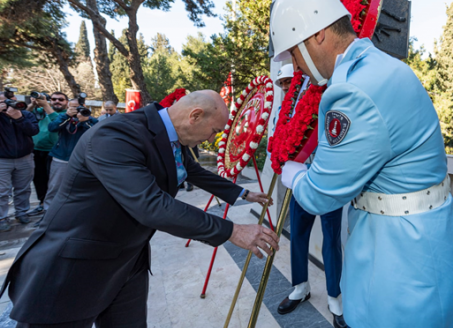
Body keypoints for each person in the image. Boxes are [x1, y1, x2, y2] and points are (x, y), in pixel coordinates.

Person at [272, 0, 453, 328]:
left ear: (317, 34)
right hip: (429, 238)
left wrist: (295, 174)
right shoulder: (383, 67)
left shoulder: (352, 92)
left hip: (402, 257)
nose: (296, 67)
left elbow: (321, 194)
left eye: (295, 52)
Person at [1, 91, 279, 327]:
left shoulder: (169, 134)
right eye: (214, 131)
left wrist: (242, 192)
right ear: (195, 116)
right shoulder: (116, 135)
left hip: (127, 259)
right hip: (75, 265)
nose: (210, 139)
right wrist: (232, 230)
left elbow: (190, 170)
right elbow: (151, 205)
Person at [272, 65, 347, 328]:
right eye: (281, 83)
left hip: (326, 180)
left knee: (331, 239)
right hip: (298, 181)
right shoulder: (285, 110)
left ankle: (334, 296)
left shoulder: (325, 95)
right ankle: (300, 287)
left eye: (287, 82)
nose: (283, 87)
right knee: (298, 235)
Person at [36, 98, 98, 227]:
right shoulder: (63, 117)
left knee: (80, 188)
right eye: (72, 107)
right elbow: (52, 128)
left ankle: (76, 216)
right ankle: (48, 215)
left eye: (78, 107)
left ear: (83, 106)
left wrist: (84, 121)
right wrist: (66, 116)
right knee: (54, 187)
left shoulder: (91, 121)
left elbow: (96, 133)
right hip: (61, 157)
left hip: (82, 160)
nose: (76, 110)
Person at [25, 92, 68, 217]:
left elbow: (57, 121)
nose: (57, 101)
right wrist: (32, 105)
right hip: (37, 150)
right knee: (39, 179)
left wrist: (46, 106)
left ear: (66, 102)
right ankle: (42, 204)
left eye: (61, 99)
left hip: (55, 151)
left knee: (54, 182)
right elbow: (25, 115)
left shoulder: (67, 114)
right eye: (53, 99)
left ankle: (54, 207)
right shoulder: (41, 110)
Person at [0, 91, 39, 231]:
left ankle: (21, 212)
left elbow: (34, 130)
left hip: (25, 158)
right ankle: (2, 217)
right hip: (2, 159)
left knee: (23, 188)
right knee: (2, 191)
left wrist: (19, 118)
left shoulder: (26, 114)